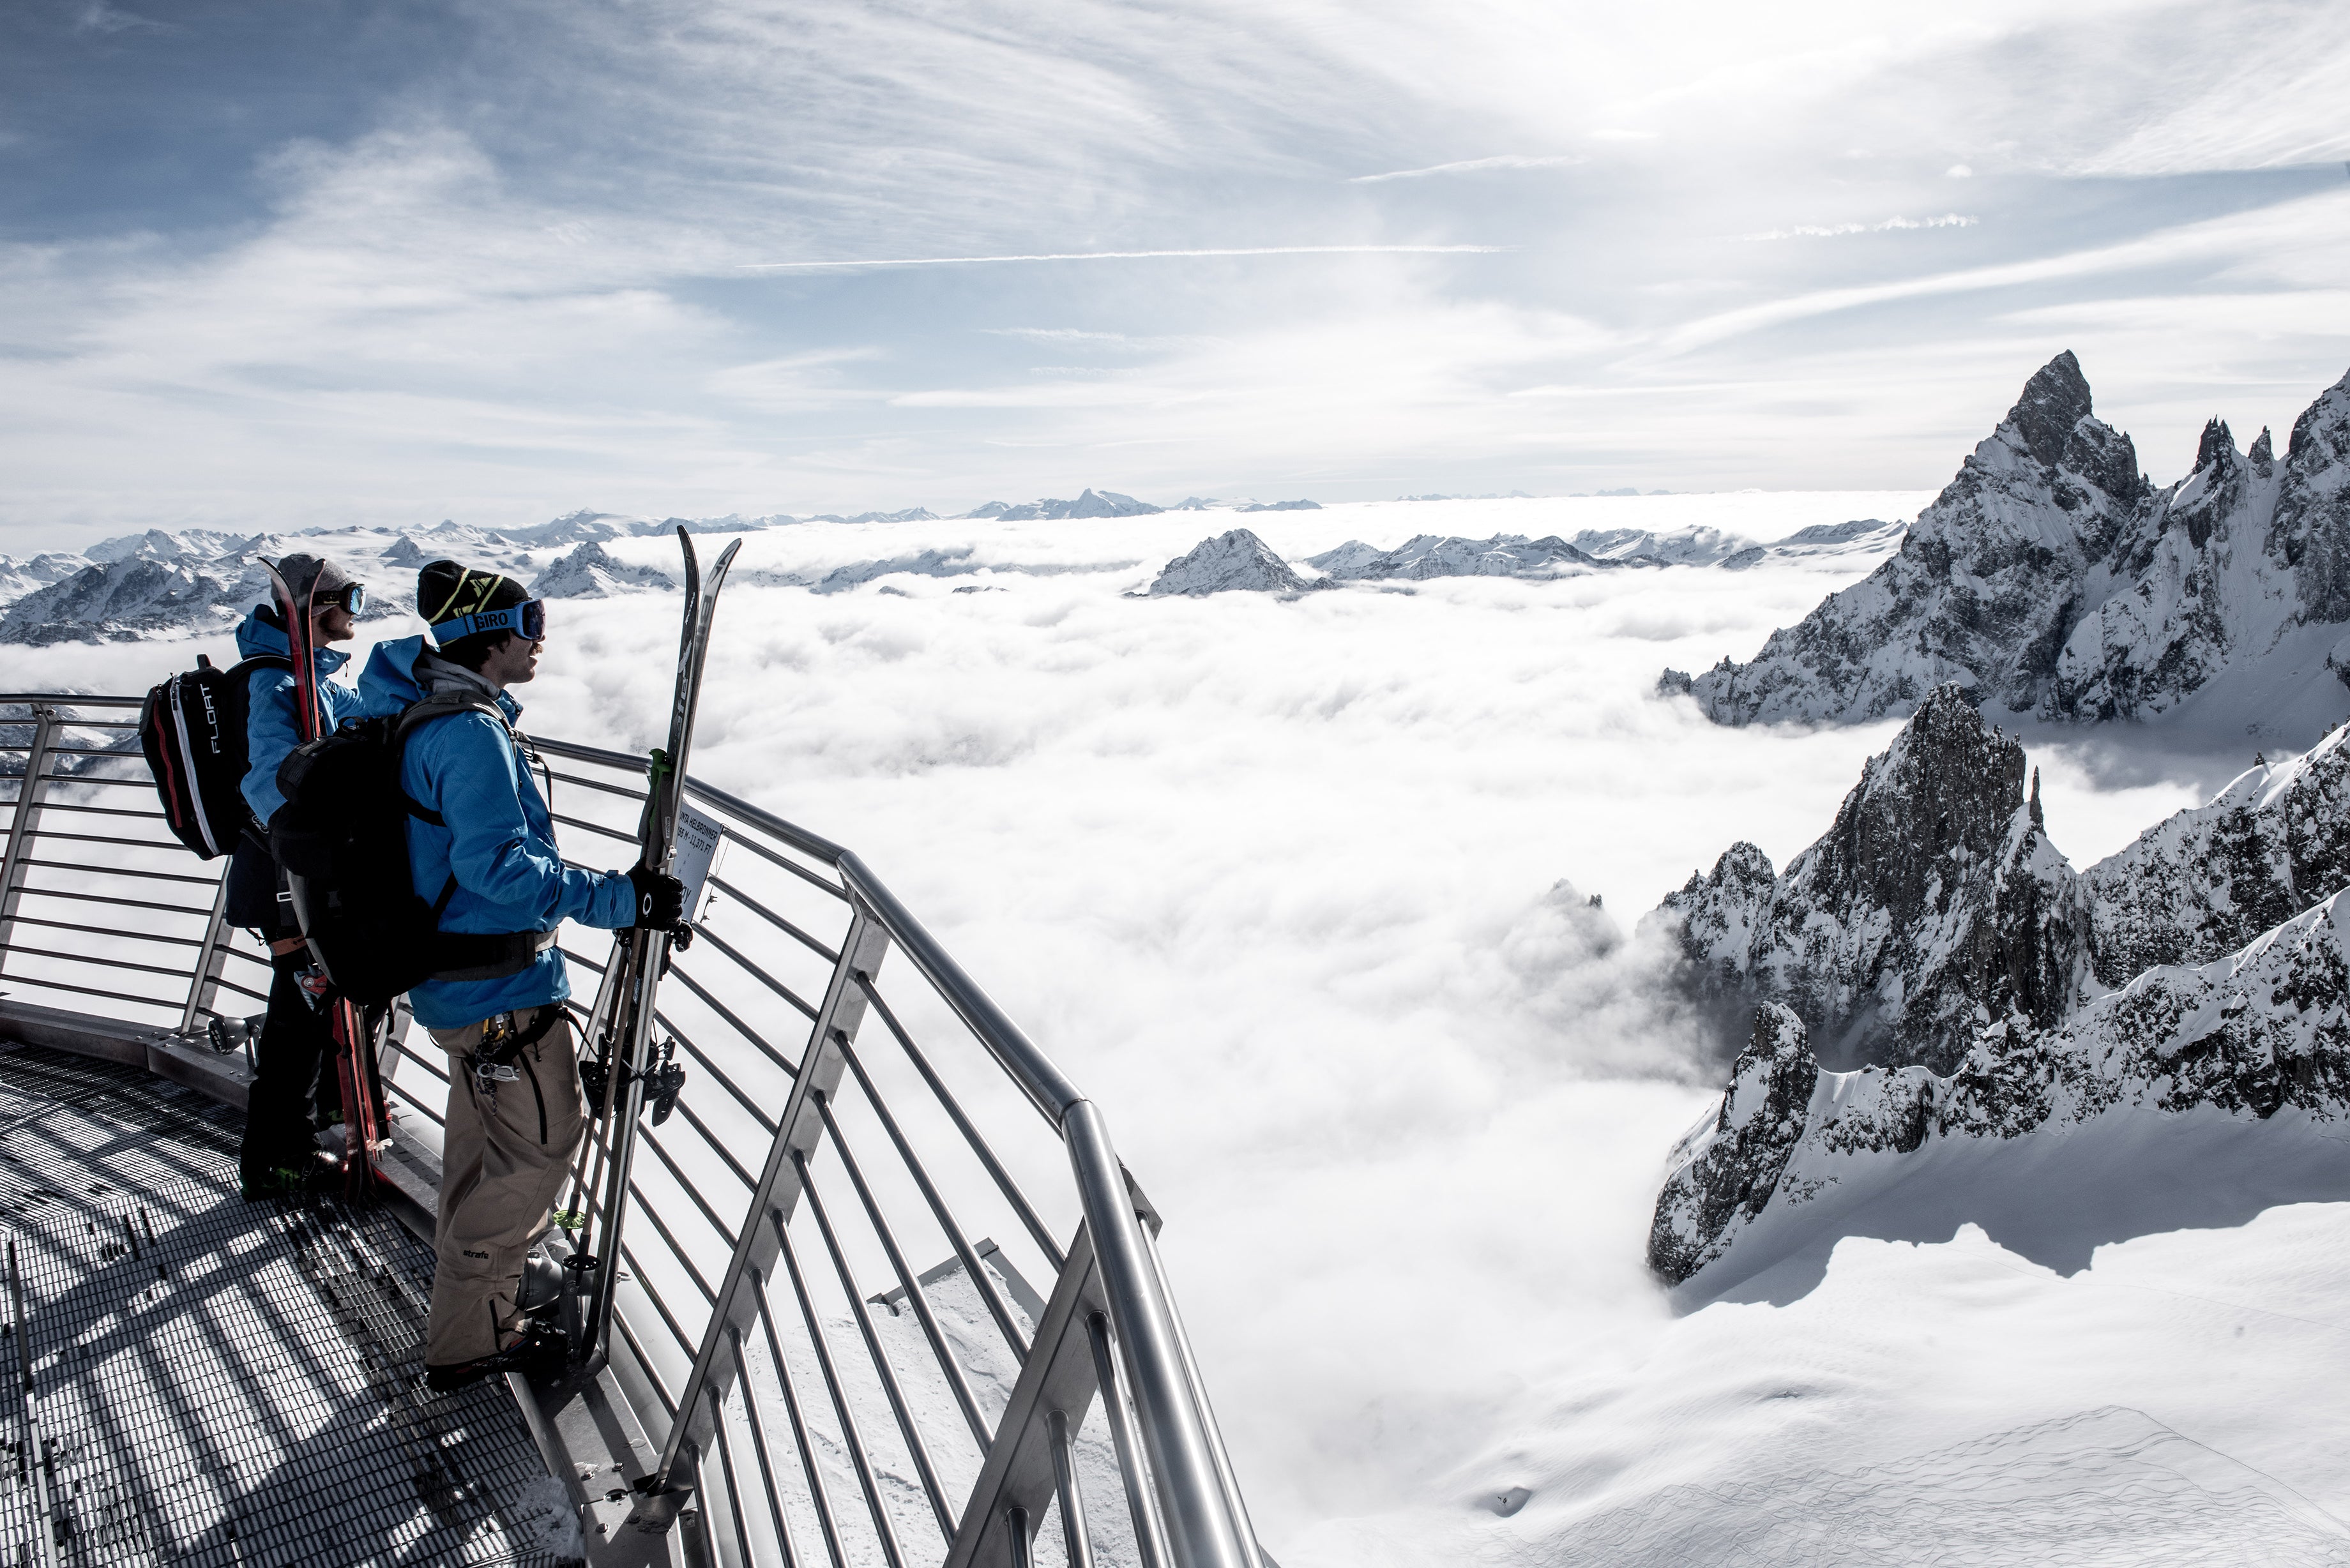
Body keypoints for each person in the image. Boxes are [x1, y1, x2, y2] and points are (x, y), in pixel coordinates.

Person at [356, 559, 685, 1391]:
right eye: (530, 623)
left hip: (459, 988)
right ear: (492, 638)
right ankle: (471, 1341)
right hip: (499, 995)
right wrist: (619, 899)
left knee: (482, 1153)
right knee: (538, 1158)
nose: (540, 640)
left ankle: (474, 1302)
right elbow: (499, 870)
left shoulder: (431, 716)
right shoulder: (468, 734)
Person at [229, 553, 374, 1198]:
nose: (357, 612)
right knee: (298, 1019)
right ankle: (275, 1161)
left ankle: (323, 1123)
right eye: (353, 599)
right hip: (289, 887)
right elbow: (265, 781)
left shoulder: (305, 675)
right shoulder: (280, 683)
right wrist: (313, 850)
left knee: (319, 1008)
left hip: (297, 881)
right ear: (318, 607)